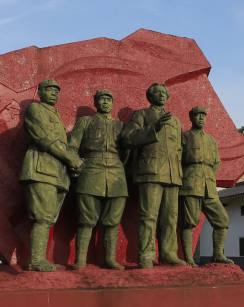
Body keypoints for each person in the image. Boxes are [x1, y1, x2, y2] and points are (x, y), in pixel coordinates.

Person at [19, 79, 83, 272]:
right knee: (42, 217)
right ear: (40, 92)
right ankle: (37, 260)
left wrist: (73, 160)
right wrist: (71, 159)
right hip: (41, 169)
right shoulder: (35, 110)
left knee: (47, 218)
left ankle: (38, 259)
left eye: (57, 90)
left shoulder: (55, 114)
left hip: (55, 173)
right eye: (49, 89)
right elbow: (45, 139)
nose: (54, 93)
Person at [122, 83, 187, 268]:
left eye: (164, 93)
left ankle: (168, 253)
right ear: (150, 97)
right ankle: (146, 255)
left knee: (170, 217)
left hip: (173, 174)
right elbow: (128, 138)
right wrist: (154, 128)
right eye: (157, 93)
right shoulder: (141, 114)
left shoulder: (175, 121)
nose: (161, 95)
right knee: (148, 216)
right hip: (150, 171)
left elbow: (179, 148)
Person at [69, 89, 128, 270]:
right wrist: (76, 165)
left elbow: (127, 153)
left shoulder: (121, 126)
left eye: (108, 99)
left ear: (113, 103)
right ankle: (80, 260)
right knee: (87, 218)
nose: (105, 102)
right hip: (91, 170)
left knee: (113, 219)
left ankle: (109, 259)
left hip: (116, 172)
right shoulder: (85, 122)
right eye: (101, 99)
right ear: (95, 103)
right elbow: (73, 146)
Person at [180, 107, 233, 265]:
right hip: (190, 184)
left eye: (203, 115)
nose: (201, 118)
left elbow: (216, 163)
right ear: (191, 118)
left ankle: (218, 254)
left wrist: (206, 173)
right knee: (188, 222)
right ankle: (189, 259)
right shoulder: (184, 137)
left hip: (209, 186)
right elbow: (178, 160)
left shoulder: (211, 140)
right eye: (198, 115)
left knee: (222, 220)